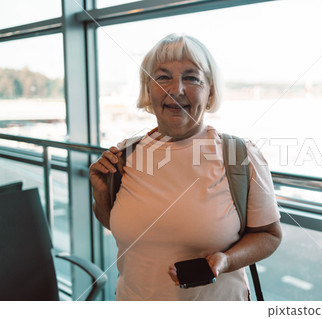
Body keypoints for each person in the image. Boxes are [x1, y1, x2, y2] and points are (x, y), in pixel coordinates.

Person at [89, 33, 282, 301]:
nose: (175, 90)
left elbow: (269, 235)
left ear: (210, 89)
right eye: (162, 77)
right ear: (148, 88)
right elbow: (121, 226)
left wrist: (226, 260)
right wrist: (100, 193)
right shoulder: (126, 154)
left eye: (191, 78)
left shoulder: (239, 154)